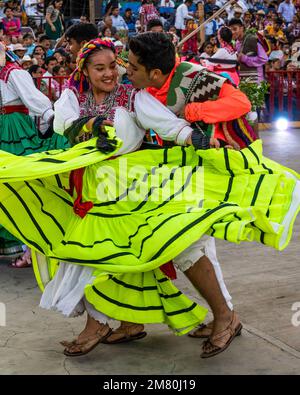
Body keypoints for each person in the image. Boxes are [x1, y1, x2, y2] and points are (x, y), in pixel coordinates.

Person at [0, 39, 299, 359]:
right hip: (94, 190)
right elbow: (62, 122)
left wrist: (195, 137)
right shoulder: (74, 95)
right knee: (99, 254)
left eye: (115, 65)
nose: (111, 73)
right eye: (100, 68)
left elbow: (166, 124)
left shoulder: (134, 96)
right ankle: (120, 322)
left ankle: (225, 317)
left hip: (141, 185)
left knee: (182, 245)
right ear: (84, 70)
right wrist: (89, 124)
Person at [0, 42, 68, 264]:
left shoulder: (13, 72)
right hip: (5, 124)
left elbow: (33, 98)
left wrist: (51, 118)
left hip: (13, 126)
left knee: (17, 179)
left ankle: (28, 243)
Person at [229, 18, 268, 83]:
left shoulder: (252, 39)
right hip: (244, 79)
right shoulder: (237, 43)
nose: (232, 32)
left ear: (241, 28)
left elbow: (264, 59)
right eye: (230, 30)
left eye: (235, 29)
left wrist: (245, 58)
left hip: (256, 80)